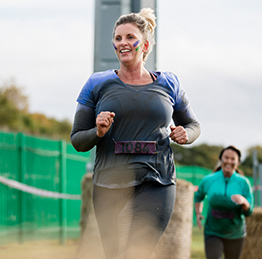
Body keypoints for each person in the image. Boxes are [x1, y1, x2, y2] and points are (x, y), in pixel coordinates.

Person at [71, 8, 200, 259]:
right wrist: (97, 132)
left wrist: (187, 134)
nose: (123, 43)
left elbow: (194, 126)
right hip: (109, 181)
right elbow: (77, 140)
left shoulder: (169, 83)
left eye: (130, 37)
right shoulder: (97, 83)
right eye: (118, 38)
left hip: (157, 180)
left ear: (145, 44)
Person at [194, 146, 254, 259]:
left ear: (238, 162)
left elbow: (249, 212)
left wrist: (244, 202)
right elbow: (198, 196)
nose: (229, 161)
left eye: (233, 159)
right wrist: (198, 213)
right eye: (226, 158)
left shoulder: (243, 183)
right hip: (213, 232)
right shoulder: (208, 180)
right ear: (220, 159)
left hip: (235, 234)